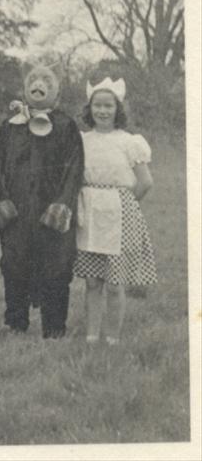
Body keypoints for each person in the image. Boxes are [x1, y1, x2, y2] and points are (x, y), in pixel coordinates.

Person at [0, 66, 84, 339]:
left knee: (56, 268)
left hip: (51, 211)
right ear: (25, 89)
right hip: (17, 213)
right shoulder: (9, 127)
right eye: (33, 81)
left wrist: (62, 205)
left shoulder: (66, 126)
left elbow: (74, 169)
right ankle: (15, 323)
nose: (38, 85)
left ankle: (54, 328)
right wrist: (1, 202)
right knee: (13, 263)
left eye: (46, 82)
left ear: (55, 92)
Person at [73, 76, 157, 345]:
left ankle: (112, 338)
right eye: (97, 105)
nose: (102, 111)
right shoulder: (82, 140)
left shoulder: (129, 142)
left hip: (120, 217)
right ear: (90, 108)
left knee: (114, 283)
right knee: (93, 282)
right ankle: (90, 335)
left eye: (108, 106)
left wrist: (125, 205)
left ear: (118, 109)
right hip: (91, 214)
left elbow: (145, 182)